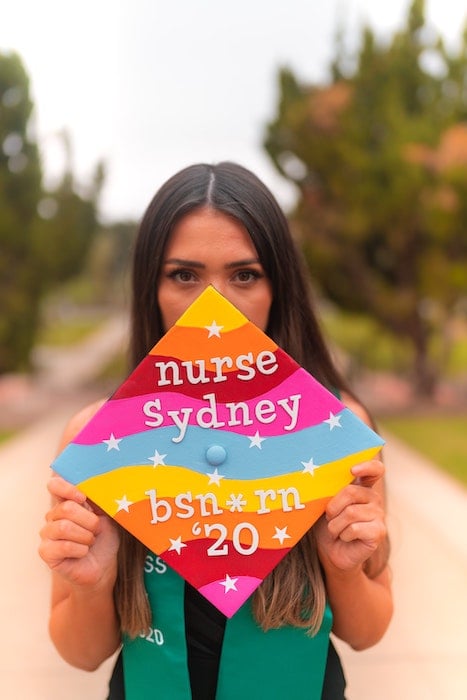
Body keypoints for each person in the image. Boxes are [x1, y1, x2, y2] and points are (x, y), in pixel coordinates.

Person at [39, 161, 392, 699]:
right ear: (150, 289)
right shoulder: (100, 437)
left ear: (279, 288)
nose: (214, 305)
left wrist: (342, 568)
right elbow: (81, 653)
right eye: (184, 275)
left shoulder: (335, 428)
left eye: (244, 275)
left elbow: (367, 633)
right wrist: (91, 583)